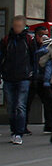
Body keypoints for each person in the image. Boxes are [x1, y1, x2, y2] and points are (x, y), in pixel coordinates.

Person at [1, 16, 37, 145]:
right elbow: (2, 57)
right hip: (9, 77)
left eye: (19, 26)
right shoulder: (7, 40)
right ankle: (13, 130)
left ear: (23, 26)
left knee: (20, 105)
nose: (17, 28)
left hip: (24, 77)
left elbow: (34, 58)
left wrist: (33, 74)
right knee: (11, 106)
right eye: (15, 25)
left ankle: (19, 132)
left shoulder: (28, 40)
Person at [31, 25, 52, 135]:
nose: (44, 37)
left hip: (44, 79)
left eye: (46, 35)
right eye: (42, 35)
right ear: (37, 35)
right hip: (32, 77)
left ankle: (49, 125)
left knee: (48, 102)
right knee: (26, 102)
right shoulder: (31, 45)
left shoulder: (48, 47)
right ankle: (21, 127)